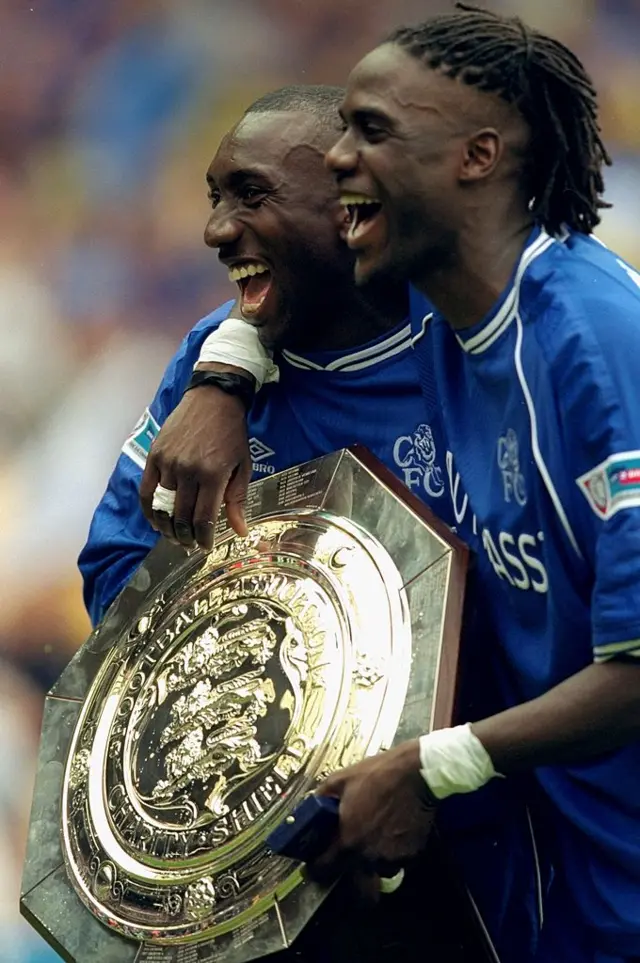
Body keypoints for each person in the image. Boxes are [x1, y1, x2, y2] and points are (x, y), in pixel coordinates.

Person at [141, 8, 640, 963]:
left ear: (476, 156)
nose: (336, 158)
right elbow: (322, 297)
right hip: (559, 876)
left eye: (369, 131)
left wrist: (428, 764)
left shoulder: (593, 339)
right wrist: (228, 364)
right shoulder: (457, 332)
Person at [81, 83, 554, 963]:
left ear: (352, 211)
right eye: (215, 196)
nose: (218, 228)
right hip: (285, 875)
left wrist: (415, 747)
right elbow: (113, 574)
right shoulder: (210, 359)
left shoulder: (481, 339)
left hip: (492, 850)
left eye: (251, 195)